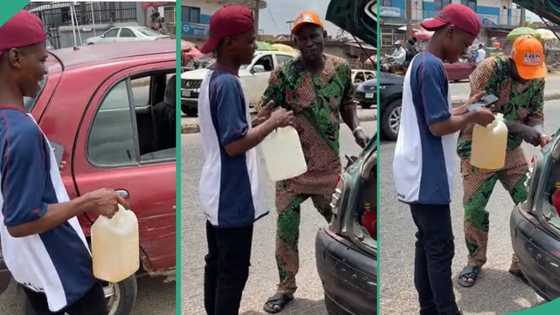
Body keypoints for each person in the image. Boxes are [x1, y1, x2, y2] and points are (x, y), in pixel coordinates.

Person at [0, 10, 128, 315]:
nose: (45, 70)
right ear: (16, 57)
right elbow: (20, 222)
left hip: (31, 272)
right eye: (41, 59)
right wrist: (88, 201)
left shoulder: (9, 124)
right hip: (62, 278)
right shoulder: (21, 132)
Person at [256, 10, 369, 313]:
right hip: (291, 170)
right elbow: (264, 112)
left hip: (328, 170)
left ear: (324, 37)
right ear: (295, 42)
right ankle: (285, 286)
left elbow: (348, 102)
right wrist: (271, 120)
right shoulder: (284, 75)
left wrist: (357, 128)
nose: (309, 43)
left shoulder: (341, 69)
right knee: (286, 231)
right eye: (302, 38)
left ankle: (352, 282)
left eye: (313, 36)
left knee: (344, 227)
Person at [392, 4, 495, 315]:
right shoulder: (433, 67)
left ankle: (428, 308)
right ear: (449, 32)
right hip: (426, 172)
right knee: (440, 248)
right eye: (463, 45)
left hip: (415, 169)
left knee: (426, 243)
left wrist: (466, 107)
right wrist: (474, 118)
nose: (463, 54)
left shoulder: (420, 63)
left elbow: (437, 115)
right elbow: (438, 126)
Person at [196, 5, 294, 315]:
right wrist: (273, 122)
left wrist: (258, 120)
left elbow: (228, 129)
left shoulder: (212, 77)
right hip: (231, 194)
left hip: (216, 190)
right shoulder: (227, 83)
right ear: (228, 43)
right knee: (233, 272)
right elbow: (234, 145)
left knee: (217, 264)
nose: (254, 46)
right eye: (249, 40)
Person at [456, 35, 550, 288]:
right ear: (511, 60)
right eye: (523, 71)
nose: (528, 77)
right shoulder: (489, 70)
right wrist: (524, 131)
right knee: (474, 208)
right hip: (479, 148)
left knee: (529, 204)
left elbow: (536, 115)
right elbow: (479, 113)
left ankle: (521, 262)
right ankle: (475, 261)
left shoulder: (536, 77)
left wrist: (539, 133)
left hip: (511, 152)